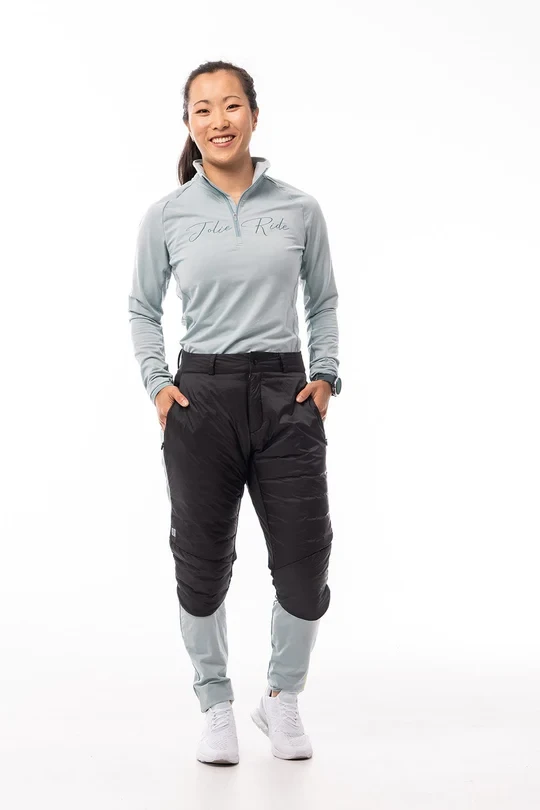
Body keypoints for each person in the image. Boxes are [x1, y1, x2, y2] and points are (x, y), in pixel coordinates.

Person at [128, 60, 342, 765]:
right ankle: (215, 703)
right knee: (201, 562)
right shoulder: (167, 215)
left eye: (230, 106)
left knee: (305, 563)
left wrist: (324, 376)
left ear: (253, 113)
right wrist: (159, 385)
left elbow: (322, 301)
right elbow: (142, 308)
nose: (218, 120)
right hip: (202, 399)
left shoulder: (300, 208)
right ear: (189, 124)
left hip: (286, 397)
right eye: (203, 109)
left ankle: (281, 698)